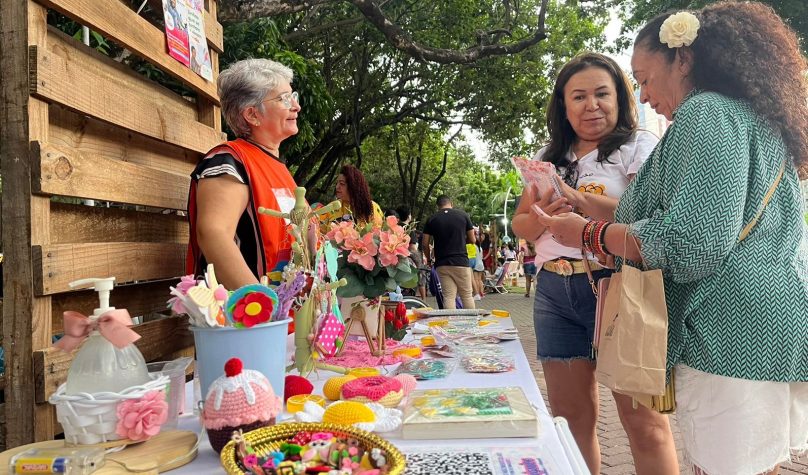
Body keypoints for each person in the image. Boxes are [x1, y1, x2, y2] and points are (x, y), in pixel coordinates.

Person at [536, 5, 808, 474]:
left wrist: (588, 234)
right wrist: (585, 207)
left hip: (726, 327)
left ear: (683, 59)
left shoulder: (705, 112)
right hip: (767, 322)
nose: (644, 95)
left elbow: (691, 244)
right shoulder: (752, 116)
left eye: (644, 79)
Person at [511, 52, 676, 474]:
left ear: (619, 97)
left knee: (644, 424)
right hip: (554, 292)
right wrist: (545, 212)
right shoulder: (548, 157)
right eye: (579, 96)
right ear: (563, 106)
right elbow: (521, 225)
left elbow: (649, 217)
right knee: (569, 420)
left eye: (602, 94)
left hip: (620, 287)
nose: (592, 105)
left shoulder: (638, 146)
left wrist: (579, 201)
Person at [187, 59, 302, 289]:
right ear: (252, 115)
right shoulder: (228, 161)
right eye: (284, 98)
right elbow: (213, 234)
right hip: (248, 309)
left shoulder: (278, 168)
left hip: (286, 305)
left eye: (293, 96)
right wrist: (262, 302)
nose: (296, 106)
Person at [422, 195, 476, 310]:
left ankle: (450, 321)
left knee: (448, 297)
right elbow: (473, 240)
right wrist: (461, 241)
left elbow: (425, 244)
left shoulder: (432, 219)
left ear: (438, 206)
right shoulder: (463, 215)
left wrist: (429, 260)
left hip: (442, 263)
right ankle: (471, 321)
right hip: (460, 261)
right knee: (466, 295)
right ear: (451, 203)